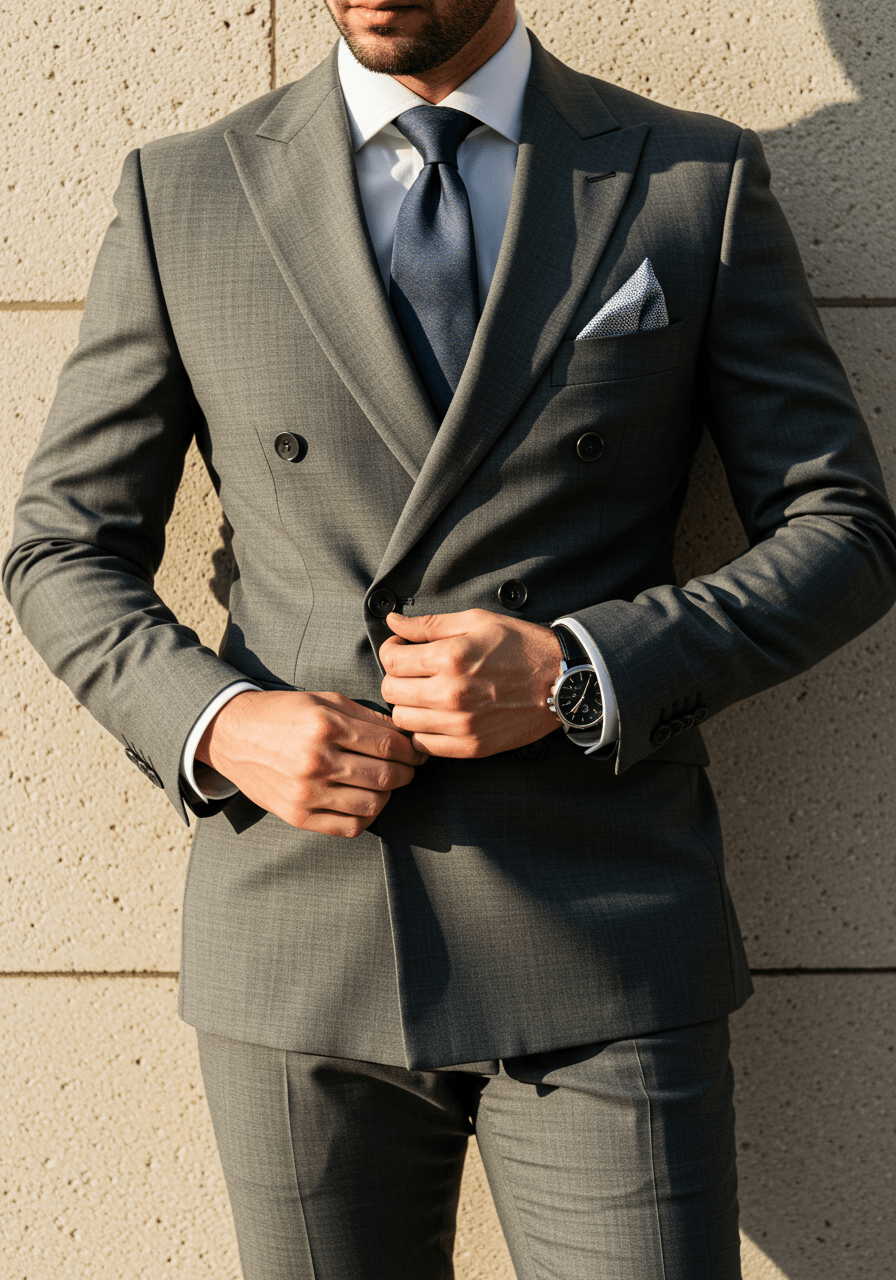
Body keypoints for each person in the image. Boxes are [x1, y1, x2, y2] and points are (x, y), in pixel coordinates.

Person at [5, 0, 896, 1276]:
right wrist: (221, 721)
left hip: (600, 922)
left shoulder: (686, 174)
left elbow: (842, 526)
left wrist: (584, 667)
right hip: (299, 938)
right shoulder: (186, 193)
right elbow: (61, 545)